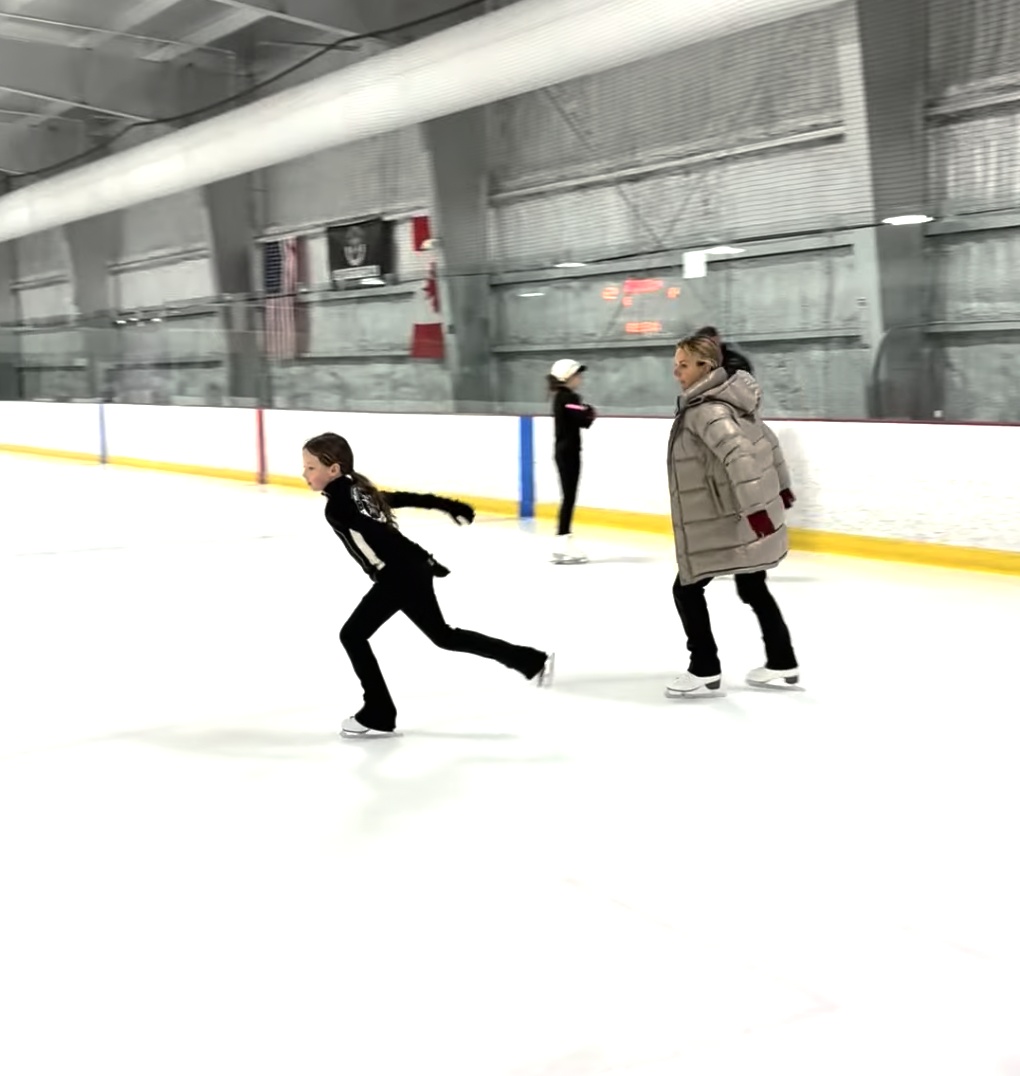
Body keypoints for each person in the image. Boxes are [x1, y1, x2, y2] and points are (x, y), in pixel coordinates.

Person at [302, 433, 554, 737]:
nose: (305, 474)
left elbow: (384, 536)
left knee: (353, 636)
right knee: (443, 636)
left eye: (310, 467)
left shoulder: (340, 504)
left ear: (334, 469)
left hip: (399, 574)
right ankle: (530, 660)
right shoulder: (356, 489)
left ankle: (378, 711)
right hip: (409, 571)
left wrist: (424, 557)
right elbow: (396, 499)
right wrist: (446, 505)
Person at [665, 334, 799, 697]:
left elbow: (739, 455)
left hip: (727, 518)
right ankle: (782, 659)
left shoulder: (707, 410)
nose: (676, 370)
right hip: (737, 513)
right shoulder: (732, 400)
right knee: (753, 586)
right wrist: (781, 488)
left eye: (683, 364)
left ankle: (704, 667)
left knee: (686, 589)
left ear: (705, 367)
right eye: (676, 363)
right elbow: (766, 441)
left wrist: (756, 511)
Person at [547, 358, 597, 564]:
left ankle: (562, 540)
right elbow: (584, 419)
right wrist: (589, 411)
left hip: (565, 452)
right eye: (577, 374)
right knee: (568, 498)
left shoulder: (562, 397)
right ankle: (562, 541)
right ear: (566, 377)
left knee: (568, 497)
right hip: (568, 453)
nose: (579, 378)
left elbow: (582, 416)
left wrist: (586, 411)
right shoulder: (568, 397)